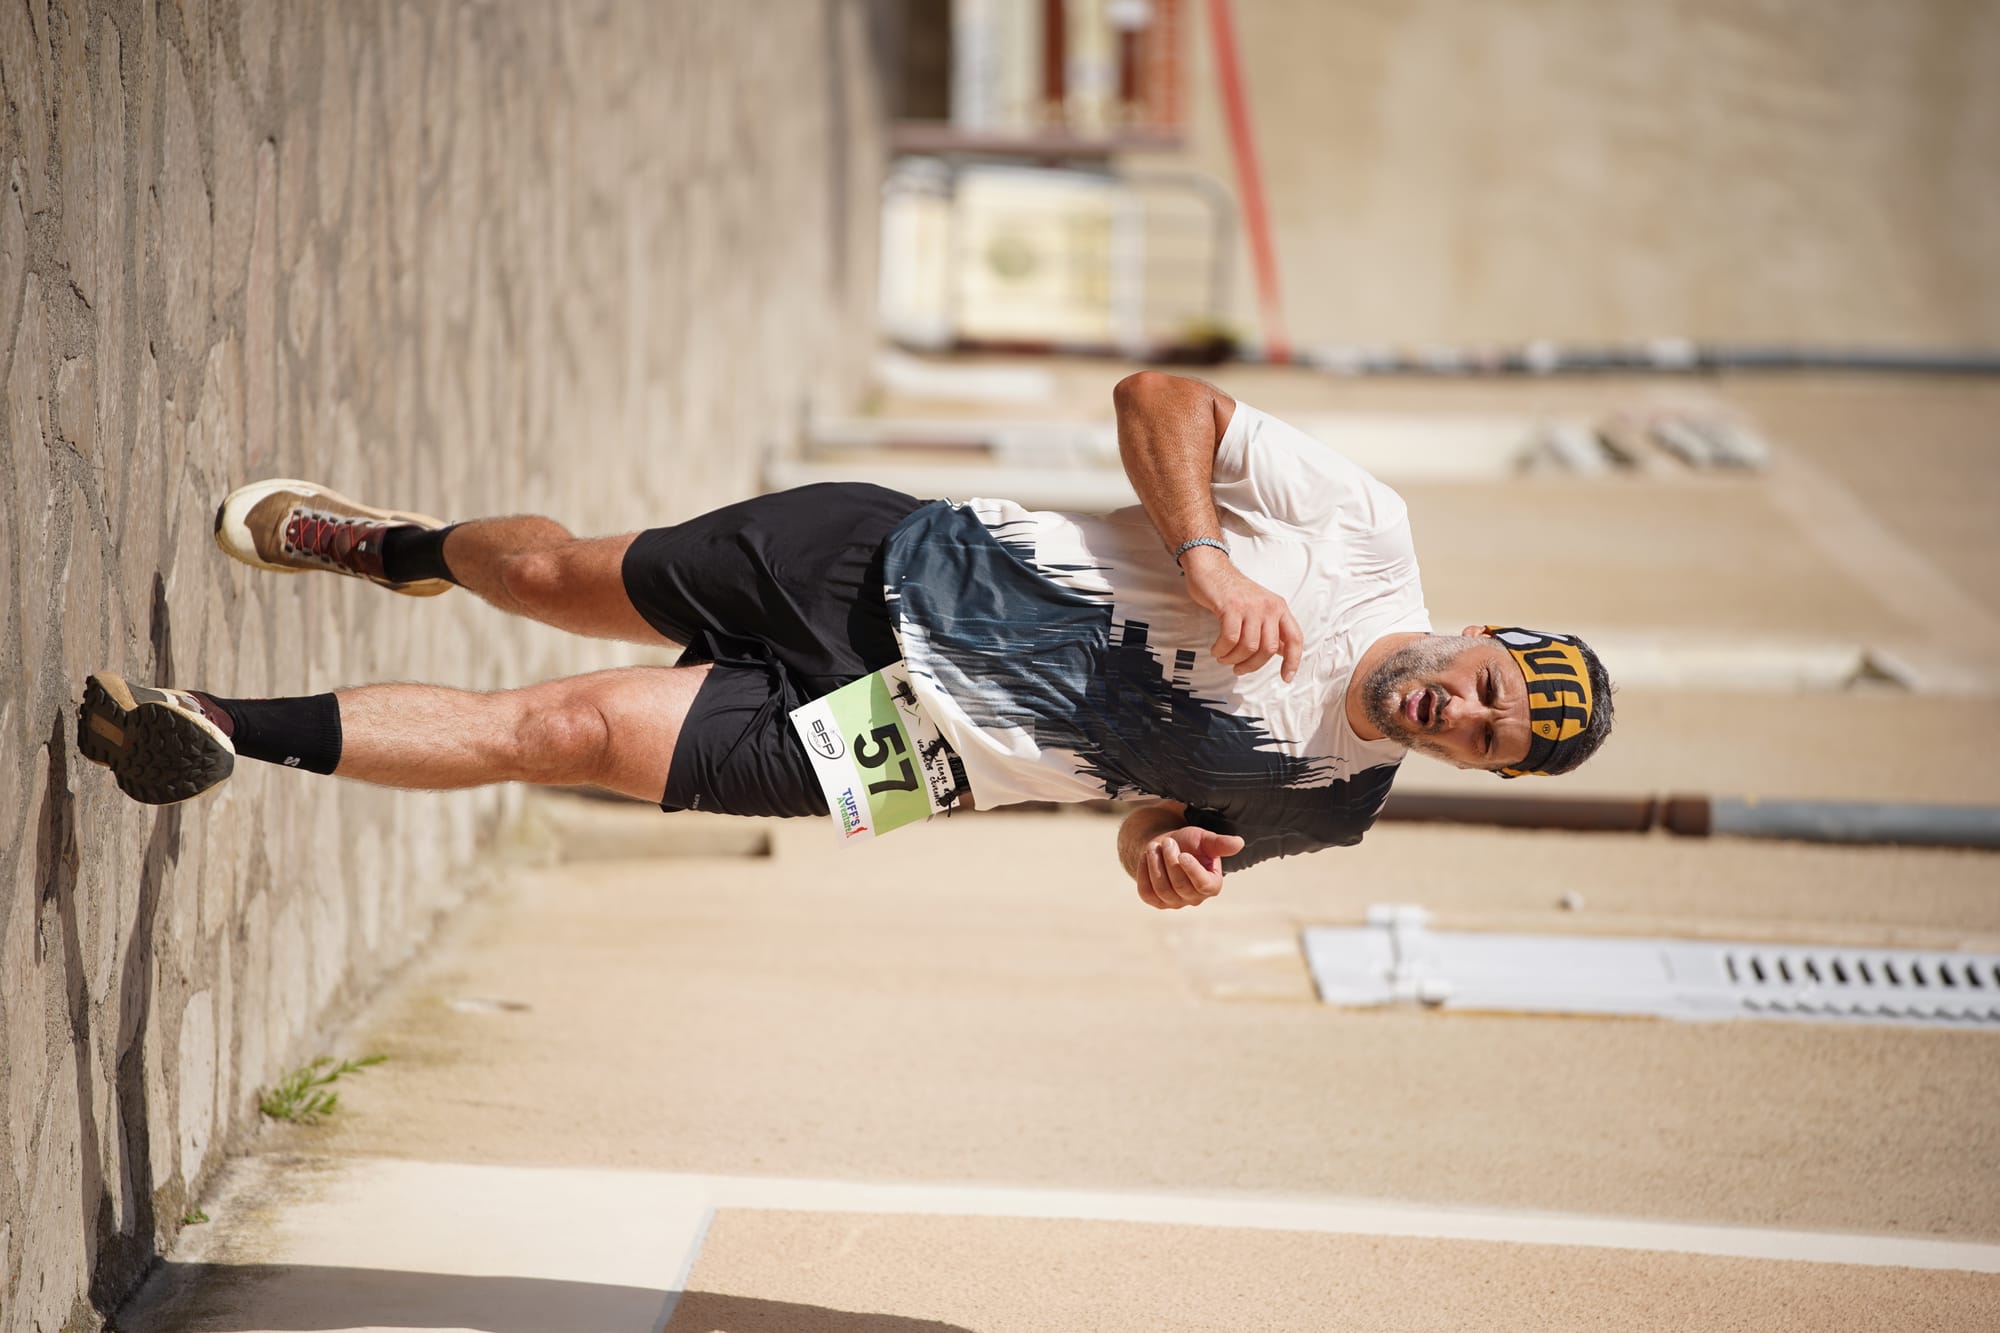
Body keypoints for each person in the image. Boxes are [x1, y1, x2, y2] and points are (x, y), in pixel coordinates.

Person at [78, 371, 1613, 910]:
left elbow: (1167, 819)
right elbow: (1160, 402)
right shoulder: (1365, 534)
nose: (1460, 714)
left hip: (907, 758)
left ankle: (204, 723)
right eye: (1487, 686)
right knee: (548, 572)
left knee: (560, 734)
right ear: (1479, 635)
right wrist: (1207, 558)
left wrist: (1159, 859)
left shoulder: (1335, 802)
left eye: (1490, 739)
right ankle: (390, 546)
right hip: (891, 562)